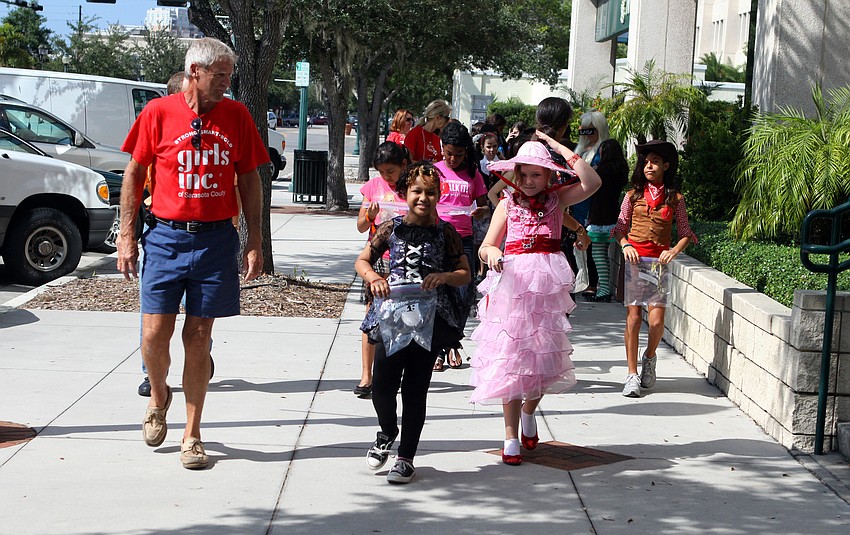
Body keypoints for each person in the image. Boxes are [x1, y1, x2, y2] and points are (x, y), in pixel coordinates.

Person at [117, 37, 268, 470]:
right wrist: (127, 236)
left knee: (198, 338)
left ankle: (192, 432)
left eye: (229, 75)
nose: (226, 82)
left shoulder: (237, 116)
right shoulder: (158, 113)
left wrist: (254, 238)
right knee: (153, 336)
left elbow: (250, 178)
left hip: (216, 240)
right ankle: (159, 395)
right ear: (194, 72)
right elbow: (135, 172)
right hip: (164, 237)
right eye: (219, 75)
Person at [471, 133, 601, 466]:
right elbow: (486, 245)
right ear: (515, 175)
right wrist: (493, 255)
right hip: (512, 289)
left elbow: (592, 180)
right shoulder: (507, 204)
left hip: (546, 290)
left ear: (548, 175)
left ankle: (530, 412)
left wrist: (557, 148)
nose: (529, 182)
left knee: (544, 361)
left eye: (536, 174)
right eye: (524, 174)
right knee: (511, 363)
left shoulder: (558, 202)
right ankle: (510, 435)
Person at [355, 161, 471, 484]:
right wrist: (374, 277)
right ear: (405, 192)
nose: (423, 198)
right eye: (417, 191)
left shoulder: (445, 233)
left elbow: (465, 273)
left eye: (430, 192)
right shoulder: (391, 229)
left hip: (429, 321)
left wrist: (445, 276)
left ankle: (406, 457)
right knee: (381, 386)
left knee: (416, 389)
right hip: (391, 318)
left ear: (439, 195)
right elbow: (362, 260)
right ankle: (387, 431)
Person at [612, 140, 697, 398]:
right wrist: (625, 244)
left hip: (658, 266)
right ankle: (631, 374)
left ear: (666, 166)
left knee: (657, 321)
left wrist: (673, 250)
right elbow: (619, 228)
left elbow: (685, 232)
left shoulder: (676, 198)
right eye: (646, 162)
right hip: (635, 262)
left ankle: (649, 358)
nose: (649, 166)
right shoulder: (632, 196)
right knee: (634, 319)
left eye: (655, 162)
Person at [354, 142, 409, 398]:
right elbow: (361, 226)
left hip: (405, 257)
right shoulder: (373, 188)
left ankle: (393, 373)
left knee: (400, 316)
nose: (386, 177)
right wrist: (370, 216)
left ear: (403, 166)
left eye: (390, 171)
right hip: (378, 257)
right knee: (371, 315)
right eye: (382, 172)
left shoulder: (411, 187)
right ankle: (367, 374)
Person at [433, 122, 489, 370]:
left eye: (458, 154)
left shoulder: (473, 174)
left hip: (463, 238)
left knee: (464, 292)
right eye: (448, 153)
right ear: (441, 149)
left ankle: (453, 340)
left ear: (466, 152)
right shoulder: (434, 171)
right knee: (437, 292)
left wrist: (481, 212)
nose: (453, 159)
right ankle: (439, 347)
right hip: (436, 237)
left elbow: (484, 204)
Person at [572, 111, 612, 299]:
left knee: (594, 249)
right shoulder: (579, 151)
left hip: (594, 207)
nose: (587, 135)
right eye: (584, 130)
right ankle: (583, 281)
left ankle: (593, 284)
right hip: (576, 205)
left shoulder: (602, 152)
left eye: (591, 130)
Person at [584, 139, 628, 302]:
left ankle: (604, 289)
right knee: (604, 253)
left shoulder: (601, 171)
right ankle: (605, 288)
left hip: (600, 215)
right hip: (613, 213)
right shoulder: (621, 170)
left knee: (597, 253)